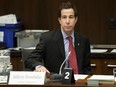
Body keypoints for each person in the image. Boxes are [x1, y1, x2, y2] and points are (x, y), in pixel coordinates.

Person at [25, 1, 91, 74]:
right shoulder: (48, 39)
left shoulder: (83, 40)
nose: (68, 21)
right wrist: (39, 66)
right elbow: (31, 59)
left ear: (76, 19)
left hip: (79, 82)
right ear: (59, 20)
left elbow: (86, 69)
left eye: (71, 17)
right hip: (56, 81)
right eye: (64, 17)